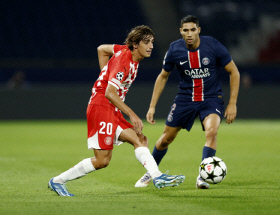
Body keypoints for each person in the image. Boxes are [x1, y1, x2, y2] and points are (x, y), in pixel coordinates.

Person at [48, 25, 185, 196]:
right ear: (135, 45)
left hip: (111, 108)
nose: (151, 46)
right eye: (146, 42)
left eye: (152, 42)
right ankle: (57, 181)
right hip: (101, 107)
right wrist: (133, 114)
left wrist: (106, 73)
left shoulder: (124, 51)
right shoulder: (124, 61)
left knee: (140, 140)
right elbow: (109, 92)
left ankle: (157, 176)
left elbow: (102, 49)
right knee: (102, 161)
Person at [135, 15, 240, 189]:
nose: (189, 33)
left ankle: (203, 176)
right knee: (165, 140)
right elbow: (163, 76)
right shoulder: (175, 49)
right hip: (185, 99)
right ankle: (152, 172)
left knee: (211, 132)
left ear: (199, 30)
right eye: (186, 30)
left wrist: (232, 103)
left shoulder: (213, 45)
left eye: (193, 29)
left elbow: (234, 71)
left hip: (211, 98)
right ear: (181, 32)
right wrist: (152, 106)